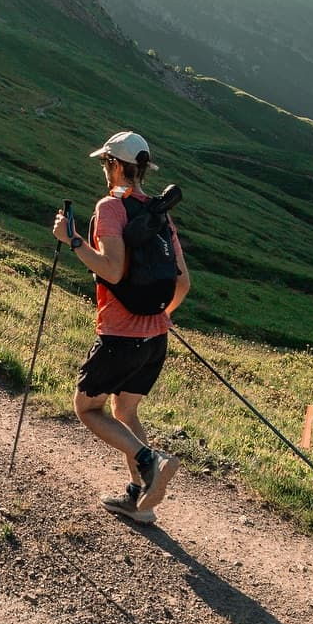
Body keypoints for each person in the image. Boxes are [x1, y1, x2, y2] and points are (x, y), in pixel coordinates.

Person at [53, 129, 190, 518]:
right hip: (155, 338)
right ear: (143, 169)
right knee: (125, 413)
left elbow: (112, 271)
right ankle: (138, 500)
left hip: (119, 336)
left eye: (104, 162)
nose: (103, 168)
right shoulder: (159, 213)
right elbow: (183, 282)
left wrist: (73, 240)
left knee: (86, 408)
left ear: (115, 165)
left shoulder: (110, 208)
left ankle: (150, 460)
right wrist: (161, 315)